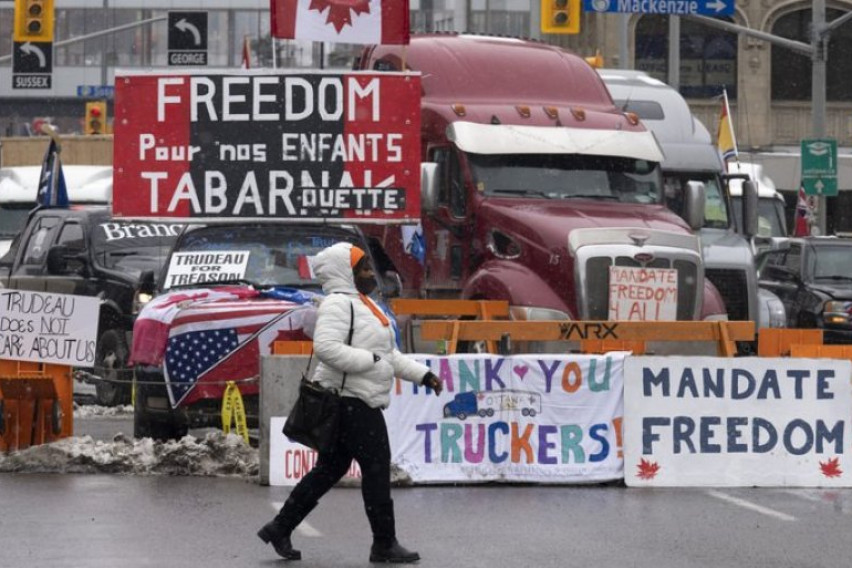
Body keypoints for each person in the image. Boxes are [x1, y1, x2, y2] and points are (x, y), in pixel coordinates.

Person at [258, 242, 443, 563]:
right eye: (364, 270)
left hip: (357, 399)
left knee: (330, 469)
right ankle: (384, 543)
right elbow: (327, 347)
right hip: (349, 400)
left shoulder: (364, 305)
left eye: (369, 269)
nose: (371, 275)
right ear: (347, 273)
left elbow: (389, 356)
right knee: (375, 469)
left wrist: (423, 375)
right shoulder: (338, 305)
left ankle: (280, 526)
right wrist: (368, 359)